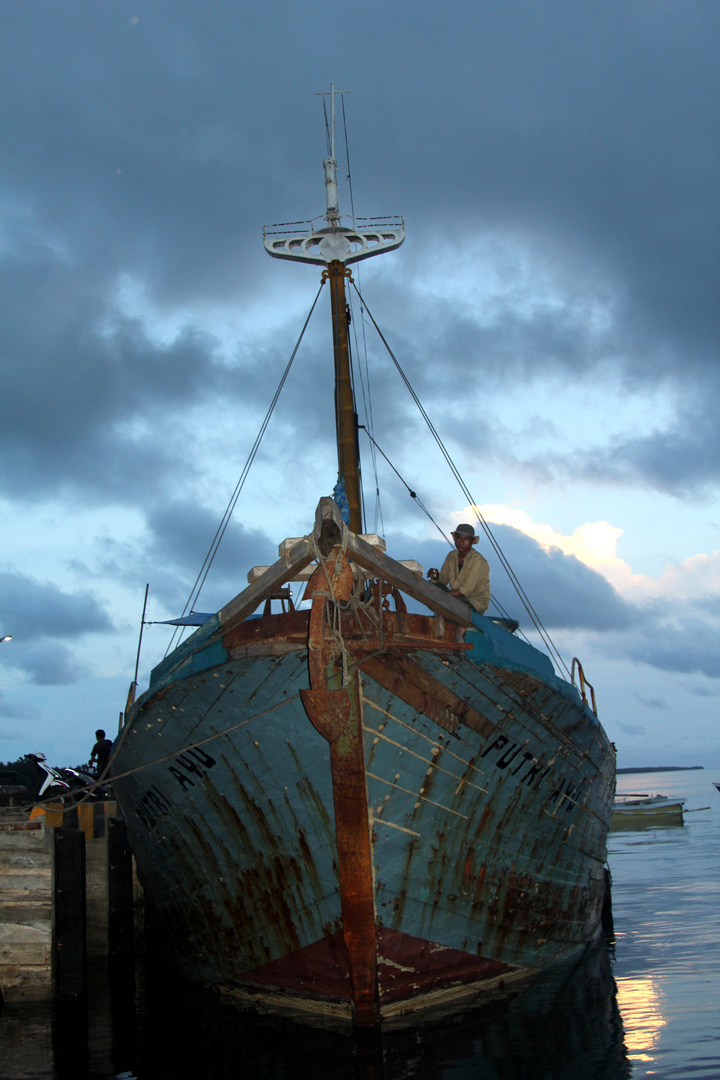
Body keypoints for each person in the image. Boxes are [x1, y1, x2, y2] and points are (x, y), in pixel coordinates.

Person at [427, 523, 490, 613]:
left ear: (472, 541)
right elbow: (444, 579)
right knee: (429, 586)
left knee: (444, 601)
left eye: (466, 539)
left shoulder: (479, 561)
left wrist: (444, 597)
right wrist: (436, 576)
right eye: (459, 537)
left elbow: (466, 590)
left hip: (473, 602)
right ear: (455, 538)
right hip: (455, 597)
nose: (461, 542)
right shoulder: (451, 556)